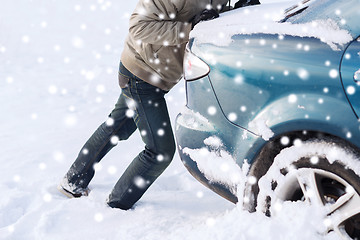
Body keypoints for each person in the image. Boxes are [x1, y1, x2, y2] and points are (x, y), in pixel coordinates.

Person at [58, 0, 229, 210]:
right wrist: (189, 29)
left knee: (117, 127)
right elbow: (139, 26)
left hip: (158, 76)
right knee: (160, 152)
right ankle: (116, 206)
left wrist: (240, 10)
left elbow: (212, 19)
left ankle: (73, 180)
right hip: (140, 74)